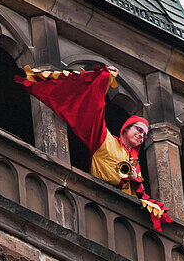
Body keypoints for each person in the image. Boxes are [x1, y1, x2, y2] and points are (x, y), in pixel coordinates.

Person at [15, 64, 171, 231]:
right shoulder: (105, 140)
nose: (141, 136)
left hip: (124, 222)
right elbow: (95, 107)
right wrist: (104, 78)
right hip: (99, 206)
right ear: (126, 128)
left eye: (144, 135)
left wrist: (136, 182)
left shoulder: (135, 163)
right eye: (138, 130)